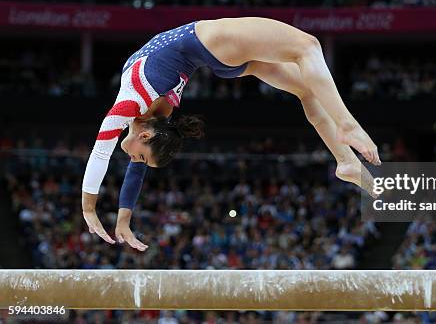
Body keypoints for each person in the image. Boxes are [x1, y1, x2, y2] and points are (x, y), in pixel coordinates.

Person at [81, 17, 380, 251]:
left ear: (145, 137)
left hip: (213, 49)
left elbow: (101, 152)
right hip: (212, 45)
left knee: (307, 86)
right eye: (143, 159)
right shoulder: (156, 117)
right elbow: (136, 165)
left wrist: (90, 209)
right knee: (308, 47)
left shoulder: (130, 105)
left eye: (140, 158)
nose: (135, 161)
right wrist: (124, 218)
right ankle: (347, 128)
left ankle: (346, 159)